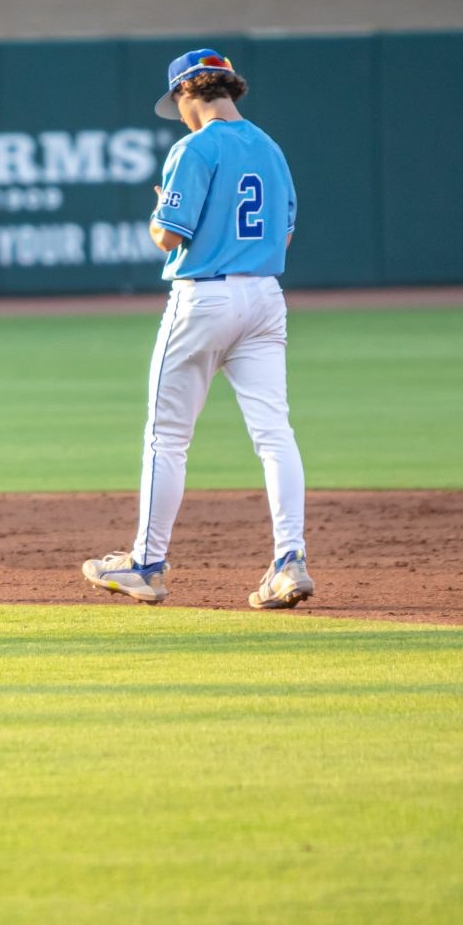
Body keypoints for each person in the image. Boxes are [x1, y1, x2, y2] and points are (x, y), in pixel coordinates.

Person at [83, 50, 312, 609]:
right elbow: (282, 238)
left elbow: (166, 235)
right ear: (228, 89)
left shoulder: (193, 147)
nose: (178, 114)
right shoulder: (270, 147)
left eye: (177, 103)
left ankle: (147, 563)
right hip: (265, 298)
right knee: (274, 433)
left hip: (204, 298)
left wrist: (160, 211)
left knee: (167, 437)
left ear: (189, 94)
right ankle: (290, 560)